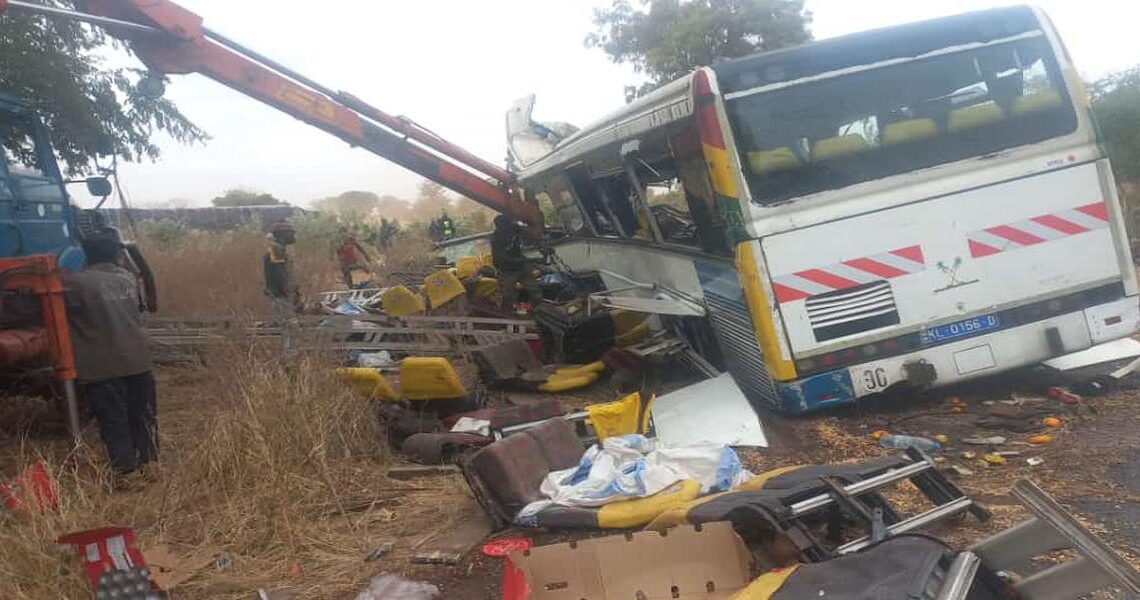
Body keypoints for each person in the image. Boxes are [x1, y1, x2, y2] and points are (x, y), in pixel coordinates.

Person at [62, 228, 157, 477]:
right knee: (142, 415)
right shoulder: (127, 278)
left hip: (102, 367)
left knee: (113, 419)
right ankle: (150, 463)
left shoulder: (75, 283)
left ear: (86, 254)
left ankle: (125, 471)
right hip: (138, 361)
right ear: (116, 253)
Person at [264, 220, 301, 315]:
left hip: (284, 295)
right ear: (283, 234)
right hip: (281, 296)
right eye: (291, 233)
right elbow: (279, 273)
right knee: (286, 325)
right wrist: (289, 293)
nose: (294, 235)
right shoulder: (276, 248)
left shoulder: (280, 248)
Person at [490, 214, 526, 310]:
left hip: (517, 267)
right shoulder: (497, 238)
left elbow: (525, 231)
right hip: (507, 270)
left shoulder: (513, 231)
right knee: (508, 297)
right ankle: (511, 314)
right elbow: (500, 259)